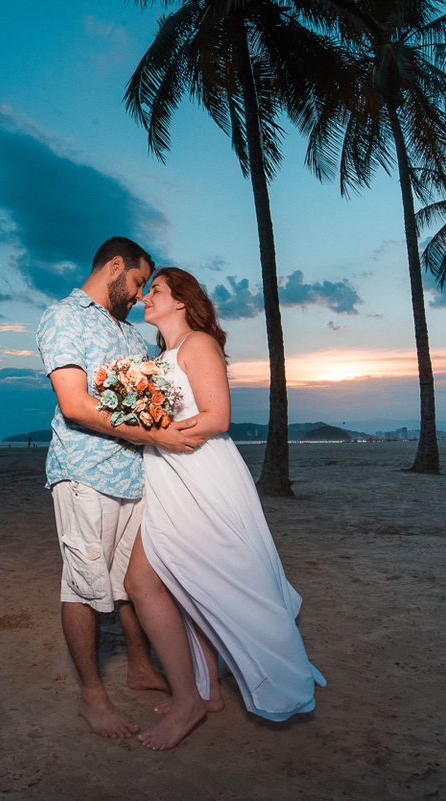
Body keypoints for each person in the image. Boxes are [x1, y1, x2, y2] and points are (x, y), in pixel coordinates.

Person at [124, 267, 326, 750]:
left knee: (173, 577)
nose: (145, 297)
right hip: (169, 476)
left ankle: (201, 694)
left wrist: (156, 433)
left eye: (155, 291)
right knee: (190, 577)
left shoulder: (198, 344)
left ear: (180, 301)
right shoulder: (161, 355)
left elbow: (218, 417)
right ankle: (207, 689)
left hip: (201, 473)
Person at [36, 237, 205, 739]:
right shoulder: (64, 317)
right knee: (84, 587)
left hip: (138, 475)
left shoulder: (132, 336)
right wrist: (159, 434)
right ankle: (92, 697)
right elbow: (75, 405)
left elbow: (156, 397)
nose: (137, 296)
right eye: (135, 283)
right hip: (85, 473)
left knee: (131, 586)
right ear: (114, 266)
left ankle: (139, 667)